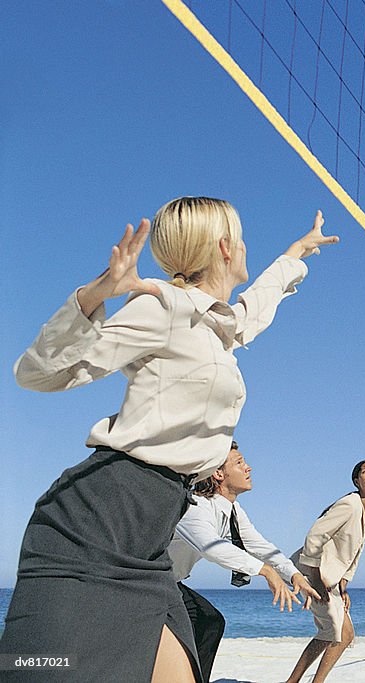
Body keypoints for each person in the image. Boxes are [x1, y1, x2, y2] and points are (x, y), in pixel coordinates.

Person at [0, 198, 337, 682]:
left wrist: (296, 254)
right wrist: (96, 294)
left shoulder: (214, 325)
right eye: (240, 237)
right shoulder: (163, 306)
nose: (245, 246)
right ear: (224, 247)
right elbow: (37, 373)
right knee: (31, 671)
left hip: (150, 534)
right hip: (93, 524)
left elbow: (251, 313)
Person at [168, 441, 321, 683]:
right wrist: (265, 571)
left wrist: (293, 575)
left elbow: (260, 546)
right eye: (239, 463)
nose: (248, 468)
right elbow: (211, 548)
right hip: (142, 582)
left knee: (210, 622)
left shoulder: (233, 511)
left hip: (169, 583)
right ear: (218, 474)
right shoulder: (195, 506)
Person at [285, 459, 365, 683]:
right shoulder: (350, 504)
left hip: (332, 580)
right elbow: (315, 536)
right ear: (356, 480)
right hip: (311, 574)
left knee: (338, 634)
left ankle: (296, 681)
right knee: (340, 634)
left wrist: (344, 583)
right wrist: (317, 578)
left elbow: (357, 550)